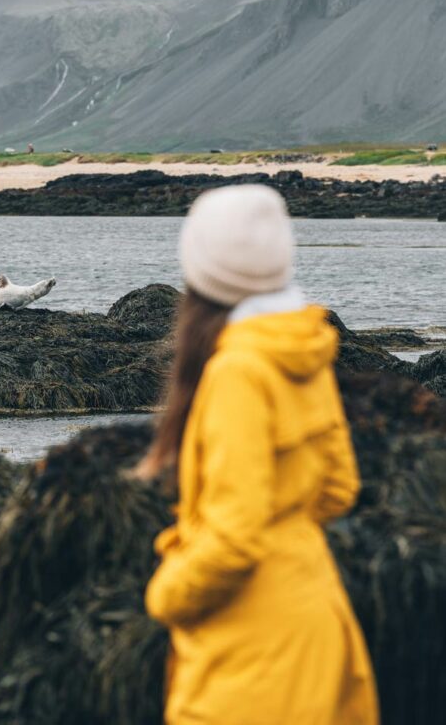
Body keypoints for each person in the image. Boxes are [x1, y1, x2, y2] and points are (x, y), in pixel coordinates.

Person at [135, 184, 378, 725]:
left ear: (202, 272)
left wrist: (165, 594)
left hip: (250, 649)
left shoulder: (237, 371)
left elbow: (233, 537)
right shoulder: (303, 347)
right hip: (319, 617)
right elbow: (339, 488)